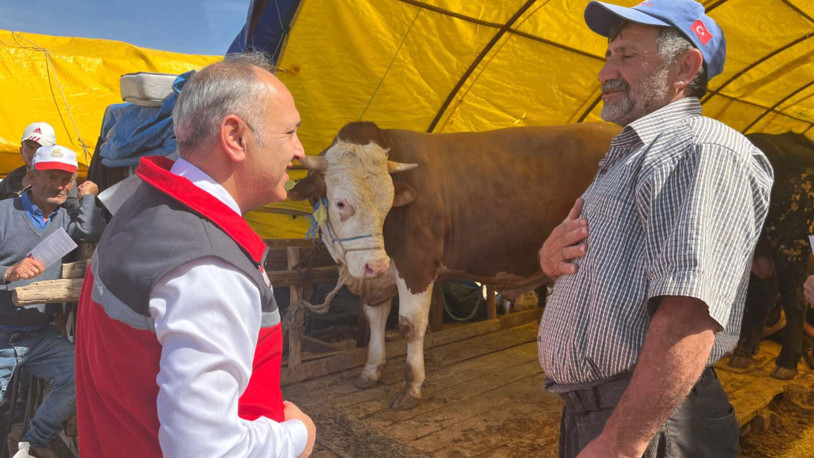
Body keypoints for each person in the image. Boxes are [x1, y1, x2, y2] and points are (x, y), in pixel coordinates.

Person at [536, 1, 774, 456]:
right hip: (601, 415)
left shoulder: (700, 150)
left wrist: (623, 440)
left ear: (683, 68)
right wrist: (549, 259)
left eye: (626, 55)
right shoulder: (632, 153)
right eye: (608, 56)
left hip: (651, 426)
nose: (605, 72)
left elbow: (689, 313)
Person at [75, 53, 316, 457]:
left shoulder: (142, 208)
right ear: (235, 137)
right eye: (289, 132)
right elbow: (207, 450)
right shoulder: (208, 265)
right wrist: (297, 436)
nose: (299, 150)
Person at [0, 144, 103, 458]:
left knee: (80, 374)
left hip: (40, 335)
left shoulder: (66, 218)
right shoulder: (4, 213)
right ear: (30, 175)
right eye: (52, 176)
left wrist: (87, 197)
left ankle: (32, 444)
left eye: (67, 178)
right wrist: (7, 273)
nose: (60, 185)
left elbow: (92, 229)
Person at [0, 123, 57, 200]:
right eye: (30, 147)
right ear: (21, 150)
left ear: (52, 152)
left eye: (41, 148)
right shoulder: (11, 180)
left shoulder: (63, 181)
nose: (35, 152)